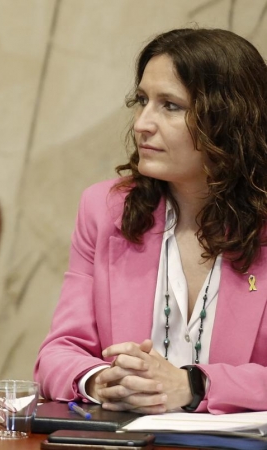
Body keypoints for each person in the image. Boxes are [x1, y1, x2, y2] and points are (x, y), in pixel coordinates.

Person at [35, 28, 267, 414]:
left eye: (170, 105)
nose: (142, 123)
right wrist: (98, 379)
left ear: (230, 119)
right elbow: (58, 353)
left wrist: (193, 385)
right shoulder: (106, 210)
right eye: (142, 100)